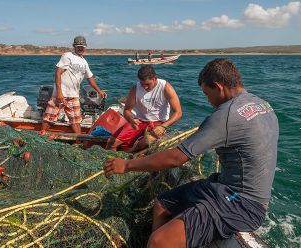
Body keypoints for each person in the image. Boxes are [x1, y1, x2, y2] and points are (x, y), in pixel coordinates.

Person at [103, 58, 279, 248]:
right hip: (222, 186)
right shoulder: (261, 104)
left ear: (218, 87)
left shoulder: (226, 115)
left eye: (206, 93)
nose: (207, 100)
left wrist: (127, 165)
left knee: (158, 242)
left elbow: (176, 157)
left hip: (242, 204)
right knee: (163, 204)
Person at [106, 65, 182, 152]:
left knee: (146, 142)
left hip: (159, 122)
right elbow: (127, 110)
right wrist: (130, 119)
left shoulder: (166, 87)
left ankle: (130, 156)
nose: (145, 87)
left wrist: (163, 127)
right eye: (142, 84)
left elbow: (178, 112)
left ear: (155, 78)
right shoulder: (135, 88)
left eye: (147, 84)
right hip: (139, 121)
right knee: (111, 142)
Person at [41, 36, 105, 134]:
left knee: (76, 121)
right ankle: (42, 134)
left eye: (82, 46)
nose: (80, 48)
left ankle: (78, 141)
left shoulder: (84, 62)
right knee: (49, 117)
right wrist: (59, 93)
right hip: (61, 93)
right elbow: (58, 73)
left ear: (85, 47)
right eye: (78, 46)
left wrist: (99, 91)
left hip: (74, 95)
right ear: (74, 46)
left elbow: (90, 78)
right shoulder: (67, 55)